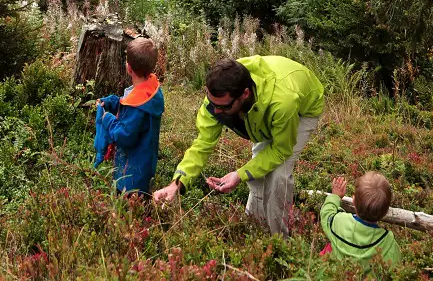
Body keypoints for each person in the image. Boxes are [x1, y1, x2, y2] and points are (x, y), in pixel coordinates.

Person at [153, 55, 324, 237]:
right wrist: (177, 184)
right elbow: (202, 145)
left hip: (302, 106)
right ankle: (253, 228)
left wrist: (240, 174)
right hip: (264, 106)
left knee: (278, 174)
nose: (216, 111)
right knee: (258, 168)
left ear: (244, 94)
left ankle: (278, 240)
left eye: (224, 107)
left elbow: (281, 150)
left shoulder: (283, 103)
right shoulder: (218, 98)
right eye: (212, 104)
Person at [97, 37, 164, 196]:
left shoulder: (138, 105)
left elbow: (124, 136)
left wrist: (107, 119)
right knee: (141, 205)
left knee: (128, 213)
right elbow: (129, 103)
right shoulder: (150, 90)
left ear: (128, 68)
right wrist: (113, 102)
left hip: (131, 175)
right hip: (144, 167)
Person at [320, 173, 401, 269]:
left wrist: (335, 196)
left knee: (328, 249)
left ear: (353, 201)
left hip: (335, 278)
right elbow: (394, 267)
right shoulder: (388, 242)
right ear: (386, 211)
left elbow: (327, 213)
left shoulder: (339, 221)